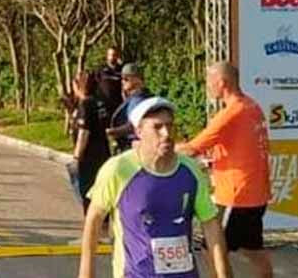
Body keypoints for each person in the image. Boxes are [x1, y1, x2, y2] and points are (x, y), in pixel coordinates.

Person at [78, 97, 232, 278]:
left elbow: (210, 224)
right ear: (139, 131)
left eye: (170, 125)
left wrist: (222, 274)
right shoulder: (118, 169)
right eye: (157, 127)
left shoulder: (190, 170)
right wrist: (86, 273)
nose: (166, 133)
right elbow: (94, 221)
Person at [176, 62, 273, 278]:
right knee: (252, 249)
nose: (207, 86)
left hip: (235, 196)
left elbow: (192, 148)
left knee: (213, 248)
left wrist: (157, 146)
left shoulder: (230, 114)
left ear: (222, 83)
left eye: (209, 82)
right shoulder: (252, 107)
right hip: (255, 194)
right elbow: (242, 147)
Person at [71, 70, 111, 215]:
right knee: (99, 189)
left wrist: (76, 157)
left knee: (87, 190)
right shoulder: (99, 102)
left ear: (79, 85)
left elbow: (84, 133)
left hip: (89, 156)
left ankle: (93, 224)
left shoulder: (85, 104)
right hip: (102, 152)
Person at [106, 63, 152, 153]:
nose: (122, 81)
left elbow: (134, 125)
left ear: (138, 79)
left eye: (126, 79)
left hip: (133, 147)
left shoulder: (138, 99)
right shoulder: (138, 97)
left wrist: (112, 132)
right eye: (122, 79)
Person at [95, 46, 124, 124]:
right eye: (110, 55)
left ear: (117, 56)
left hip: (118, 104)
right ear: (107, 56)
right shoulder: (100, 69)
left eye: (114, 55)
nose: (112, 57)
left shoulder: (122, 70)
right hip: (104, 104)